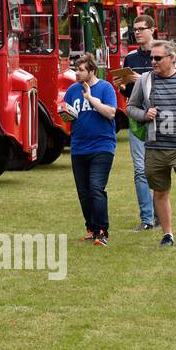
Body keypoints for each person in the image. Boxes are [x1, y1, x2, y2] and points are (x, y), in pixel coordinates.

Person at [125, 40, 176, 248]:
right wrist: (144, 115)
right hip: (155, 147)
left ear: (172, 58)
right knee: (160, 192)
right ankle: (168, 235)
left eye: (157, 58)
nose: (152, 62)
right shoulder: (144, 81)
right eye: (152, 58)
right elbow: (130, 108)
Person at [60, 53, 118, 246]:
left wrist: (90, 98)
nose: (77, 73)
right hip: (79, 147)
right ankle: (91, 228)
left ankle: (102, 231)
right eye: (76, 69)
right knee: (83, 192)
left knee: (96, 188)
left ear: (91, 70)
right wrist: (65, 114)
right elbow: (68, 115)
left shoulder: (105, 88)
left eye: (81, 70)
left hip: (102, 146)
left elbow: (110, 113)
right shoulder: (72, 90)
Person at [121, 13, 157, 229]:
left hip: (159, 117)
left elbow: (167, 83)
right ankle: (147, 219)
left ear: (152, 30)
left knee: (158, 169)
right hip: (137, 119)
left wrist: (141, 79)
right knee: (140, 169)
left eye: (141, 28)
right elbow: (130, 93)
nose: (138, 32)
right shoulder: (130, 59)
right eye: (135, 29)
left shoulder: (162, 54)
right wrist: (123, 85)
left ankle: (161, 215)